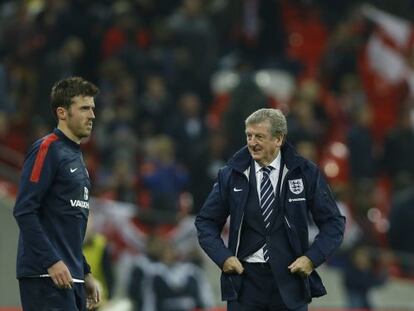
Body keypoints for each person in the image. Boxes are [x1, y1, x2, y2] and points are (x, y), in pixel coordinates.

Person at [195, 108, 345, 311]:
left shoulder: (305, 173)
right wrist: (223, 257)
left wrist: (312, 258)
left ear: (278, 139)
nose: (252, 142)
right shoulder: (230, 174)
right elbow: (206, 222)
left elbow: (334, 223)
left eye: (259, 137)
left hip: (290, 281)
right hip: (245, 283)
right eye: (249, 136)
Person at [13, 76, 101, 311]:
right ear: (62, 112)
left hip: (70, 276)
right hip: (46, 276)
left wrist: (84, 272)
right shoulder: (47, 149)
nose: (92, 115)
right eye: (84, 108)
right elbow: (24, 210)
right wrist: (51, 262)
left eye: (92, 108)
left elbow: (66, 228)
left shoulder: (76, 157)